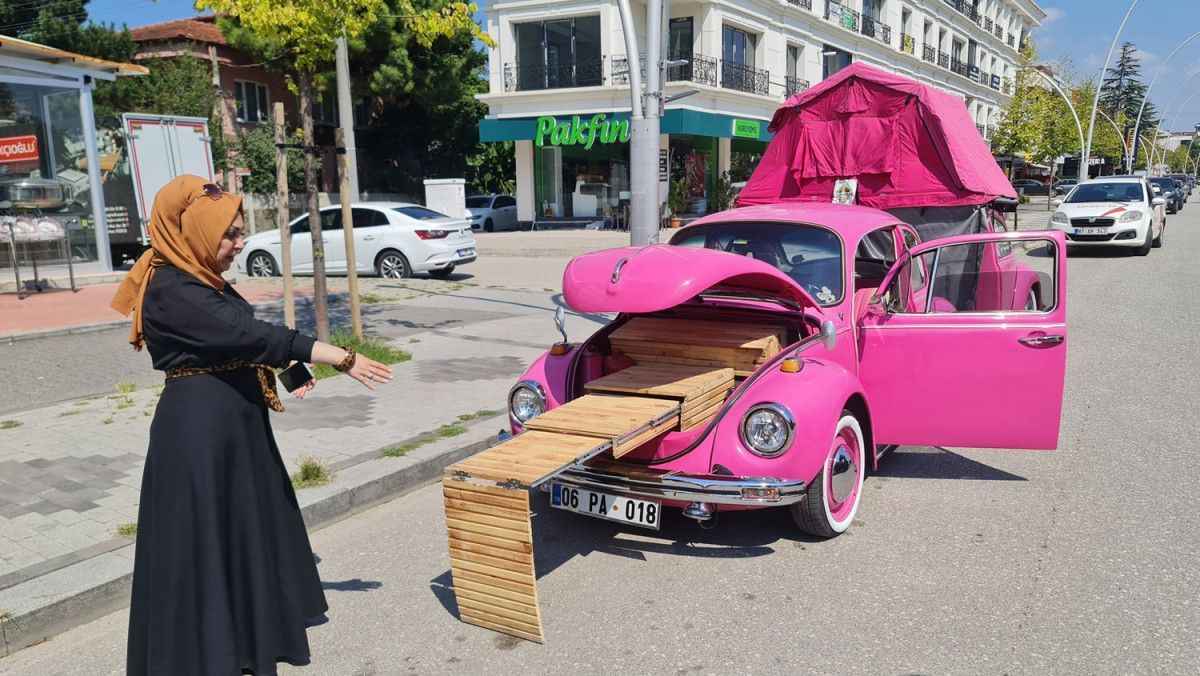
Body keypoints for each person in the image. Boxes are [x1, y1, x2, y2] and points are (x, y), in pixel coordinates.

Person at [111, 175, 393, 675]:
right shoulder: (171, 288)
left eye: (240, 231)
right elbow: (245, 332)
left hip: (233, 425)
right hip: (200, 434)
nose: (240, 242)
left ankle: (240, 641)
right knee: (206, 545)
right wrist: (337, 356)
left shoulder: (198, 277)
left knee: (239, 536)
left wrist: (292, 369)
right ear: (195, 231)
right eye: (230, 233)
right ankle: (207, 653)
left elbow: (237, 341)